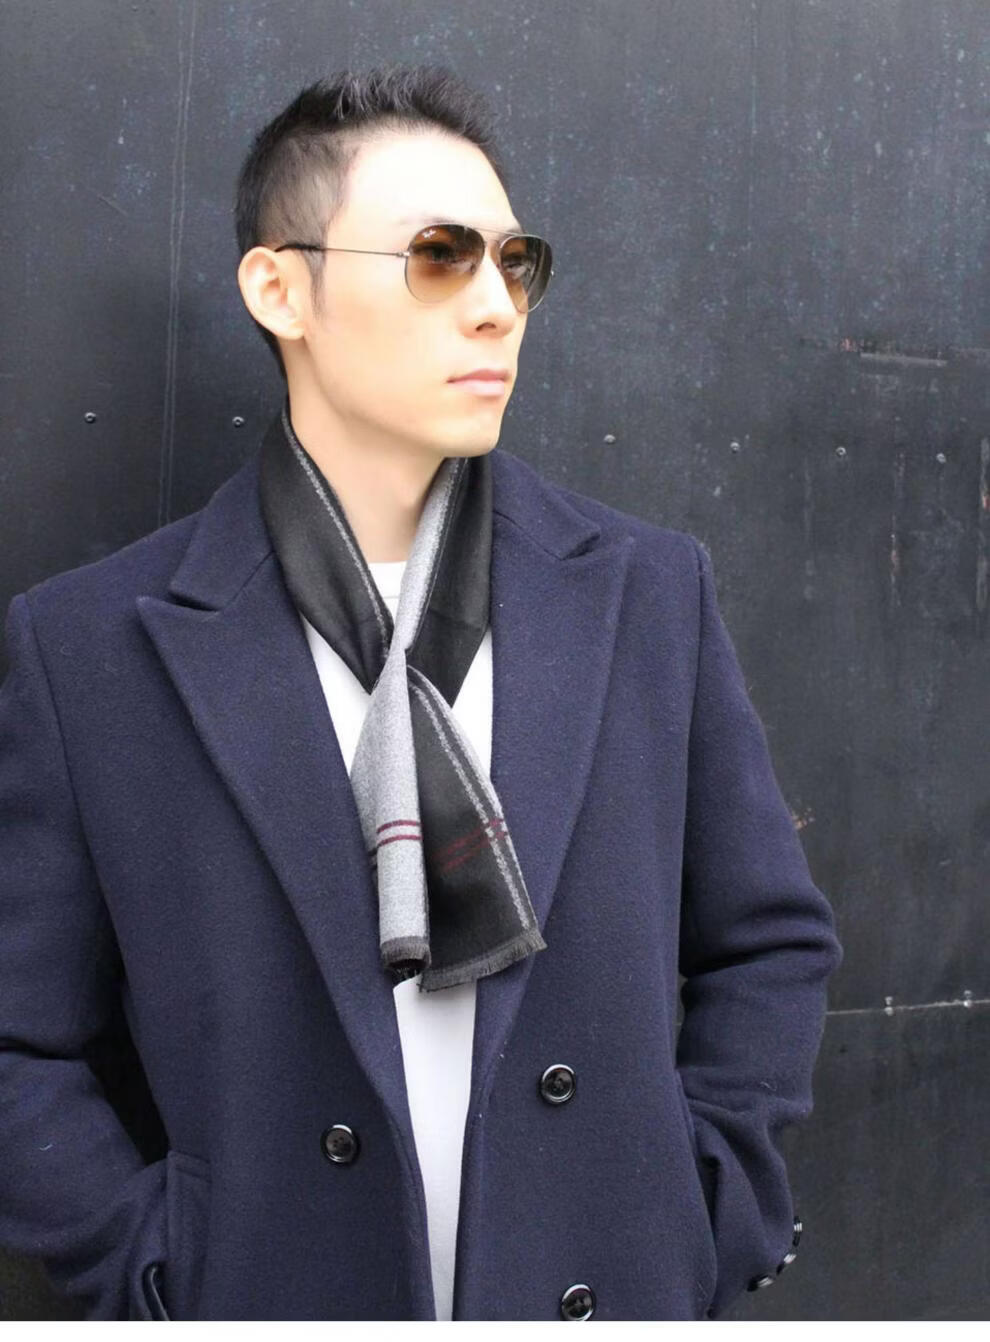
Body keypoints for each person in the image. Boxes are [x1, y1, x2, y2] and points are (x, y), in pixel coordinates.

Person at [0, 62, 843, 1321]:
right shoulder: (94, 648)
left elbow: (768, 942)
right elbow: (22, 1040)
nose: (497, 306)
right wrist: (161, 1272)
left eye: (516, 262)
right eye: (439, 257)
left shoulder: (644, 594)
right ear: (280, 288)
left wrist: (705, 1208)